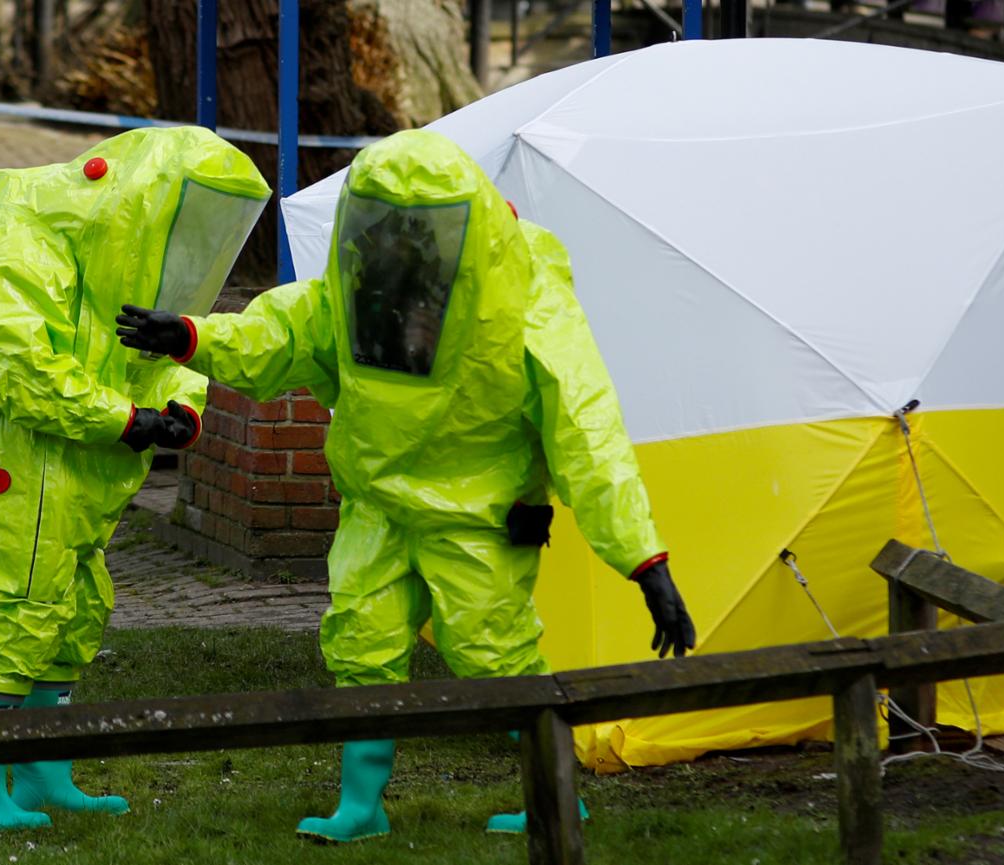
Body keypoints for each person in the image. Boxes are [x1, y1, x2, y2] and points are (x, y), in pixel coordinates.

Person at [115, 129, 695, 842]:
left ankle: (558, 799)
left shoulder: (527, 301)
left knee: (495, 655)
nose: (402, 238)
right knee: (363, 644)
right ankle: (360, 807)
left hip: (478, 514)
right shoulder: (368, 279)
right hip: (379, 504)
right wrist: (194, 339)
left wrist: (644, 559)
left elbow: (586, 427)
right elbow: (291, 327)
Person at [0, 126, 270, 831]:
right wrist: (129, 421)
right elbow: (23, 374)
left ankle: (46, 772)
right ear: (143, 198)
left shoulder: (117, 252)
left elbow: (157, 344)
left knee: (77, 606)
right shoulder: (6, 246)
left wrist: (178, 407)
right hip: (10, 452)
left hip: (75, 456)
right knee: (25, 606)